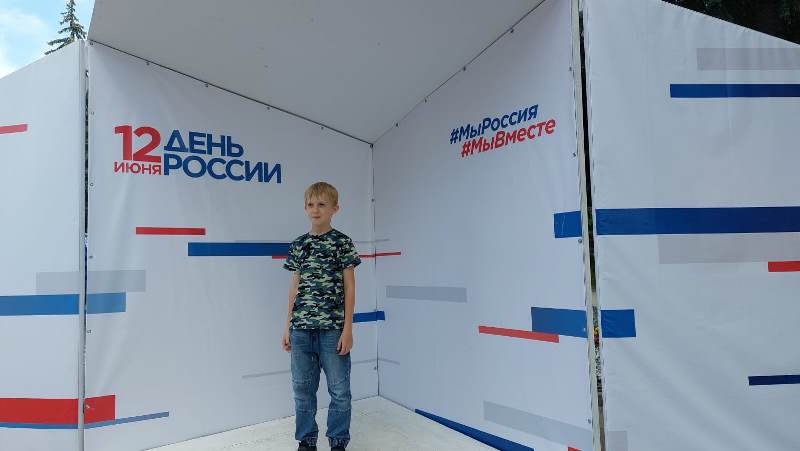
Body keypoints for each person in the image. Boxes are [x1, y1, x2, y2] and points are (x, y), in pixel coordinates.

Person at [282, 181, 361, 451]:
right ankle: (306, 441)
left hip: (332, 330)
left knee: (339, 391)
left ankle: (338, 442)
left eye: (322, 204)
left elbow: (350, 287)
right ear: (305, 208)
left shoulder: (342, 243)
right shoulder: (299, 244)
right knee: (302, 391)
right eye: (311, 204)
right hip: (301, 330)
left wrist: (348, 329)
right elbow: (294, 287)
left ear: (335, 208)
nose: (315, 209)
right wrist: (287, 326)